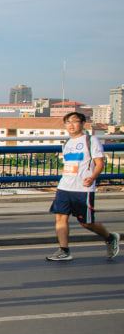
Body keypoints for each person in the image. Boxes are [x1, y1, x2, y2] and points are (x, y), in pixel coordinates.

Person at [46, 111, 119, 262]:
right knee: (60, 217)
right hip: (65, 187)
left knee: (86, 223)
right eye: (67, 122)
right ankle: (64, 250)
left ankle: (110, 237)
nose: (71, 125)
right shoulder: (66, 143)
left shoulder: (91, 140)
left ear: (82, 123)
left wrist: (92, 177)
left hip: (83, 189)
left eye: (74, 121)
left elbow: (100, 163)